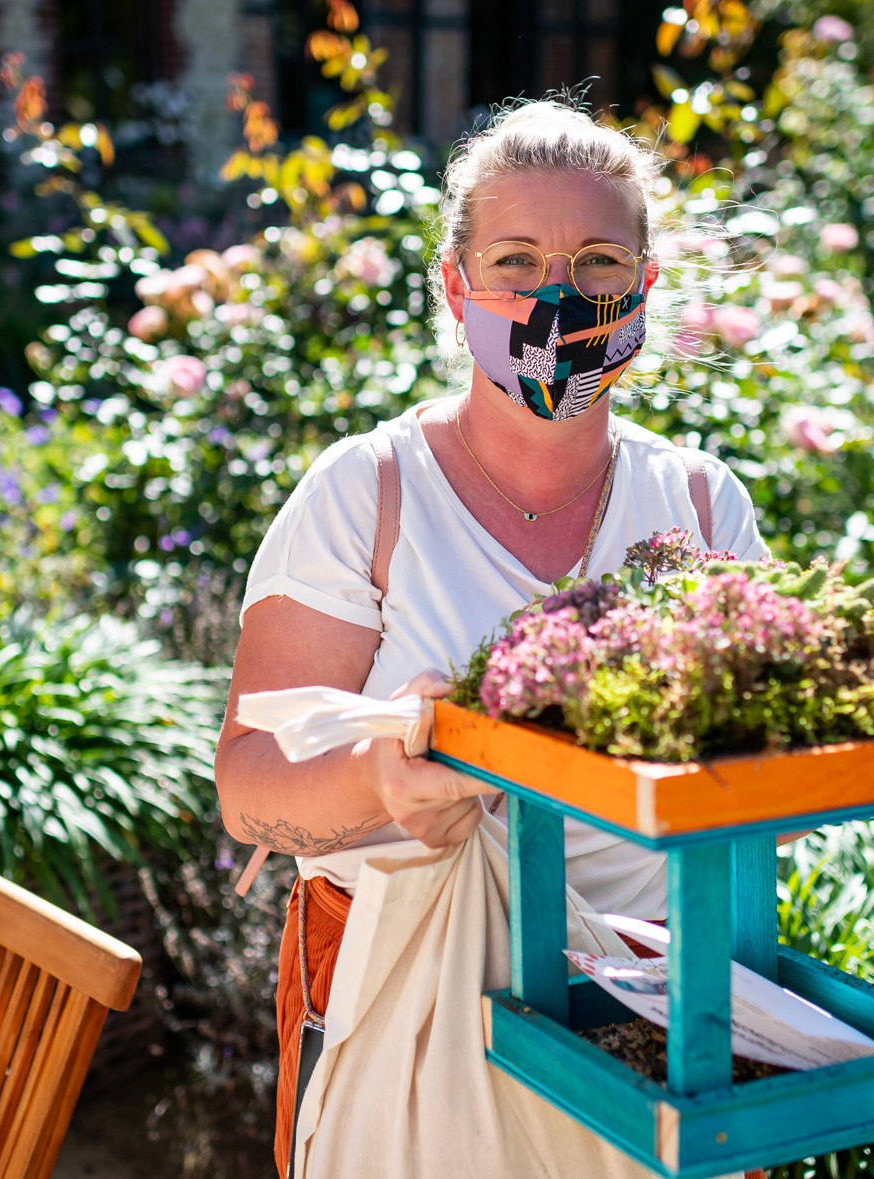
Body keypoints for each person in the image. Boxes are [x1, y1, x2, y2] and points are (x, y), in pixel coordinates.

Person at [214, 99, 781, 1178]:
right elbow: (249, 792)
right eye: (516, 262)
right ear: (454, 287)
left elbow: (766, 797)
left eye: (598, 262)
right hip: (407, 1005)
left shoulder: (700, 507)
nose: (558, 296)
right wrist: (383, 782)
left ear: (645, 288)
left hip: (657, 1023)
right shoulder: (369, 494)